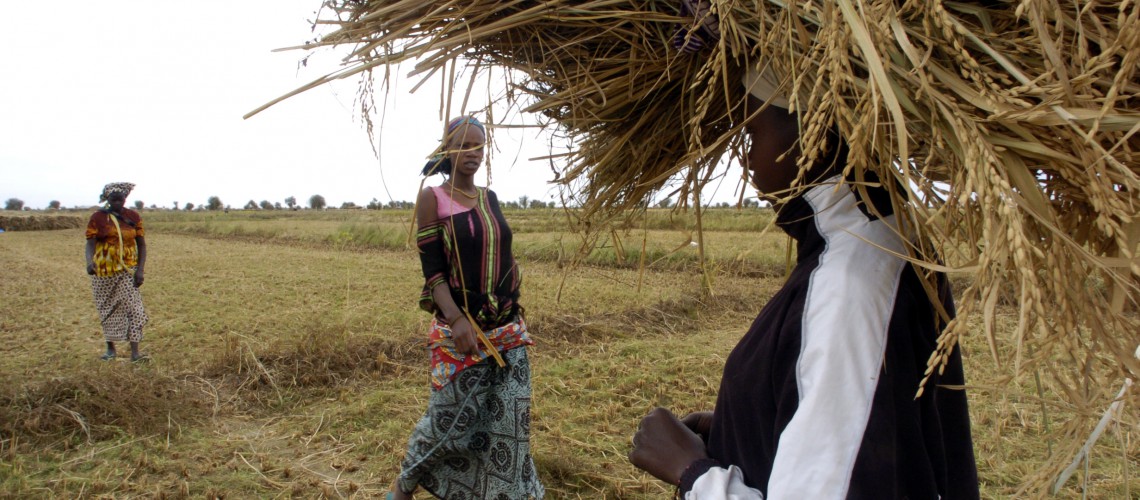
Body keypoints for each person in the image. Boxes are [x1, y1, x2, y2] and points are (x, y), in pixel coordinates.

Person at [627, 56, 980, 497]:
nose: (747, 161)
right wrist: (743, 422)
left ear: (813, 133)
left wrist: (692, 472)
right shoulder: (882, 236)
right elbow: (868, 436)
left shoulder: (851, 283)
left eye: (753, 133)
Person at [388, 116, 544, 500]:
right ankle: (403, 485)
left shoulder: (489, 197)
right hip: (462, 333)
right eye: (464, 145)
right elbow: (433, 273)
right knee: (448, 423)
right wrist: (457, 319)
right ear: (447, 149)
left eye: (479, 145)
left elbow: (504, 255)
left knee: (508, 421)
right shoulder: (432, 198)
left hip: (507, 331)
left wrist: (513, 300)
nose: (473, 153)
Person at [85, 182, 149, 363]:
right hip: (103, 272)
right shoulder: (98, 217)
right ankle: (110, 349)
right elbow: (90, 242)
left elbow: (141, 244)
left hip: (128, 270)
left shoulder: (133, 216)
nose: (117, 203)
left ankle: (135, 353)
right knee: (108, 309)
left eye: (120, 199)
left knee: (135, 309)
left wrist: (140, 270)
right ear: (107, 199)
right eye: (113, 199)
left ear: (125, 199)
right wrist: (90, 262)